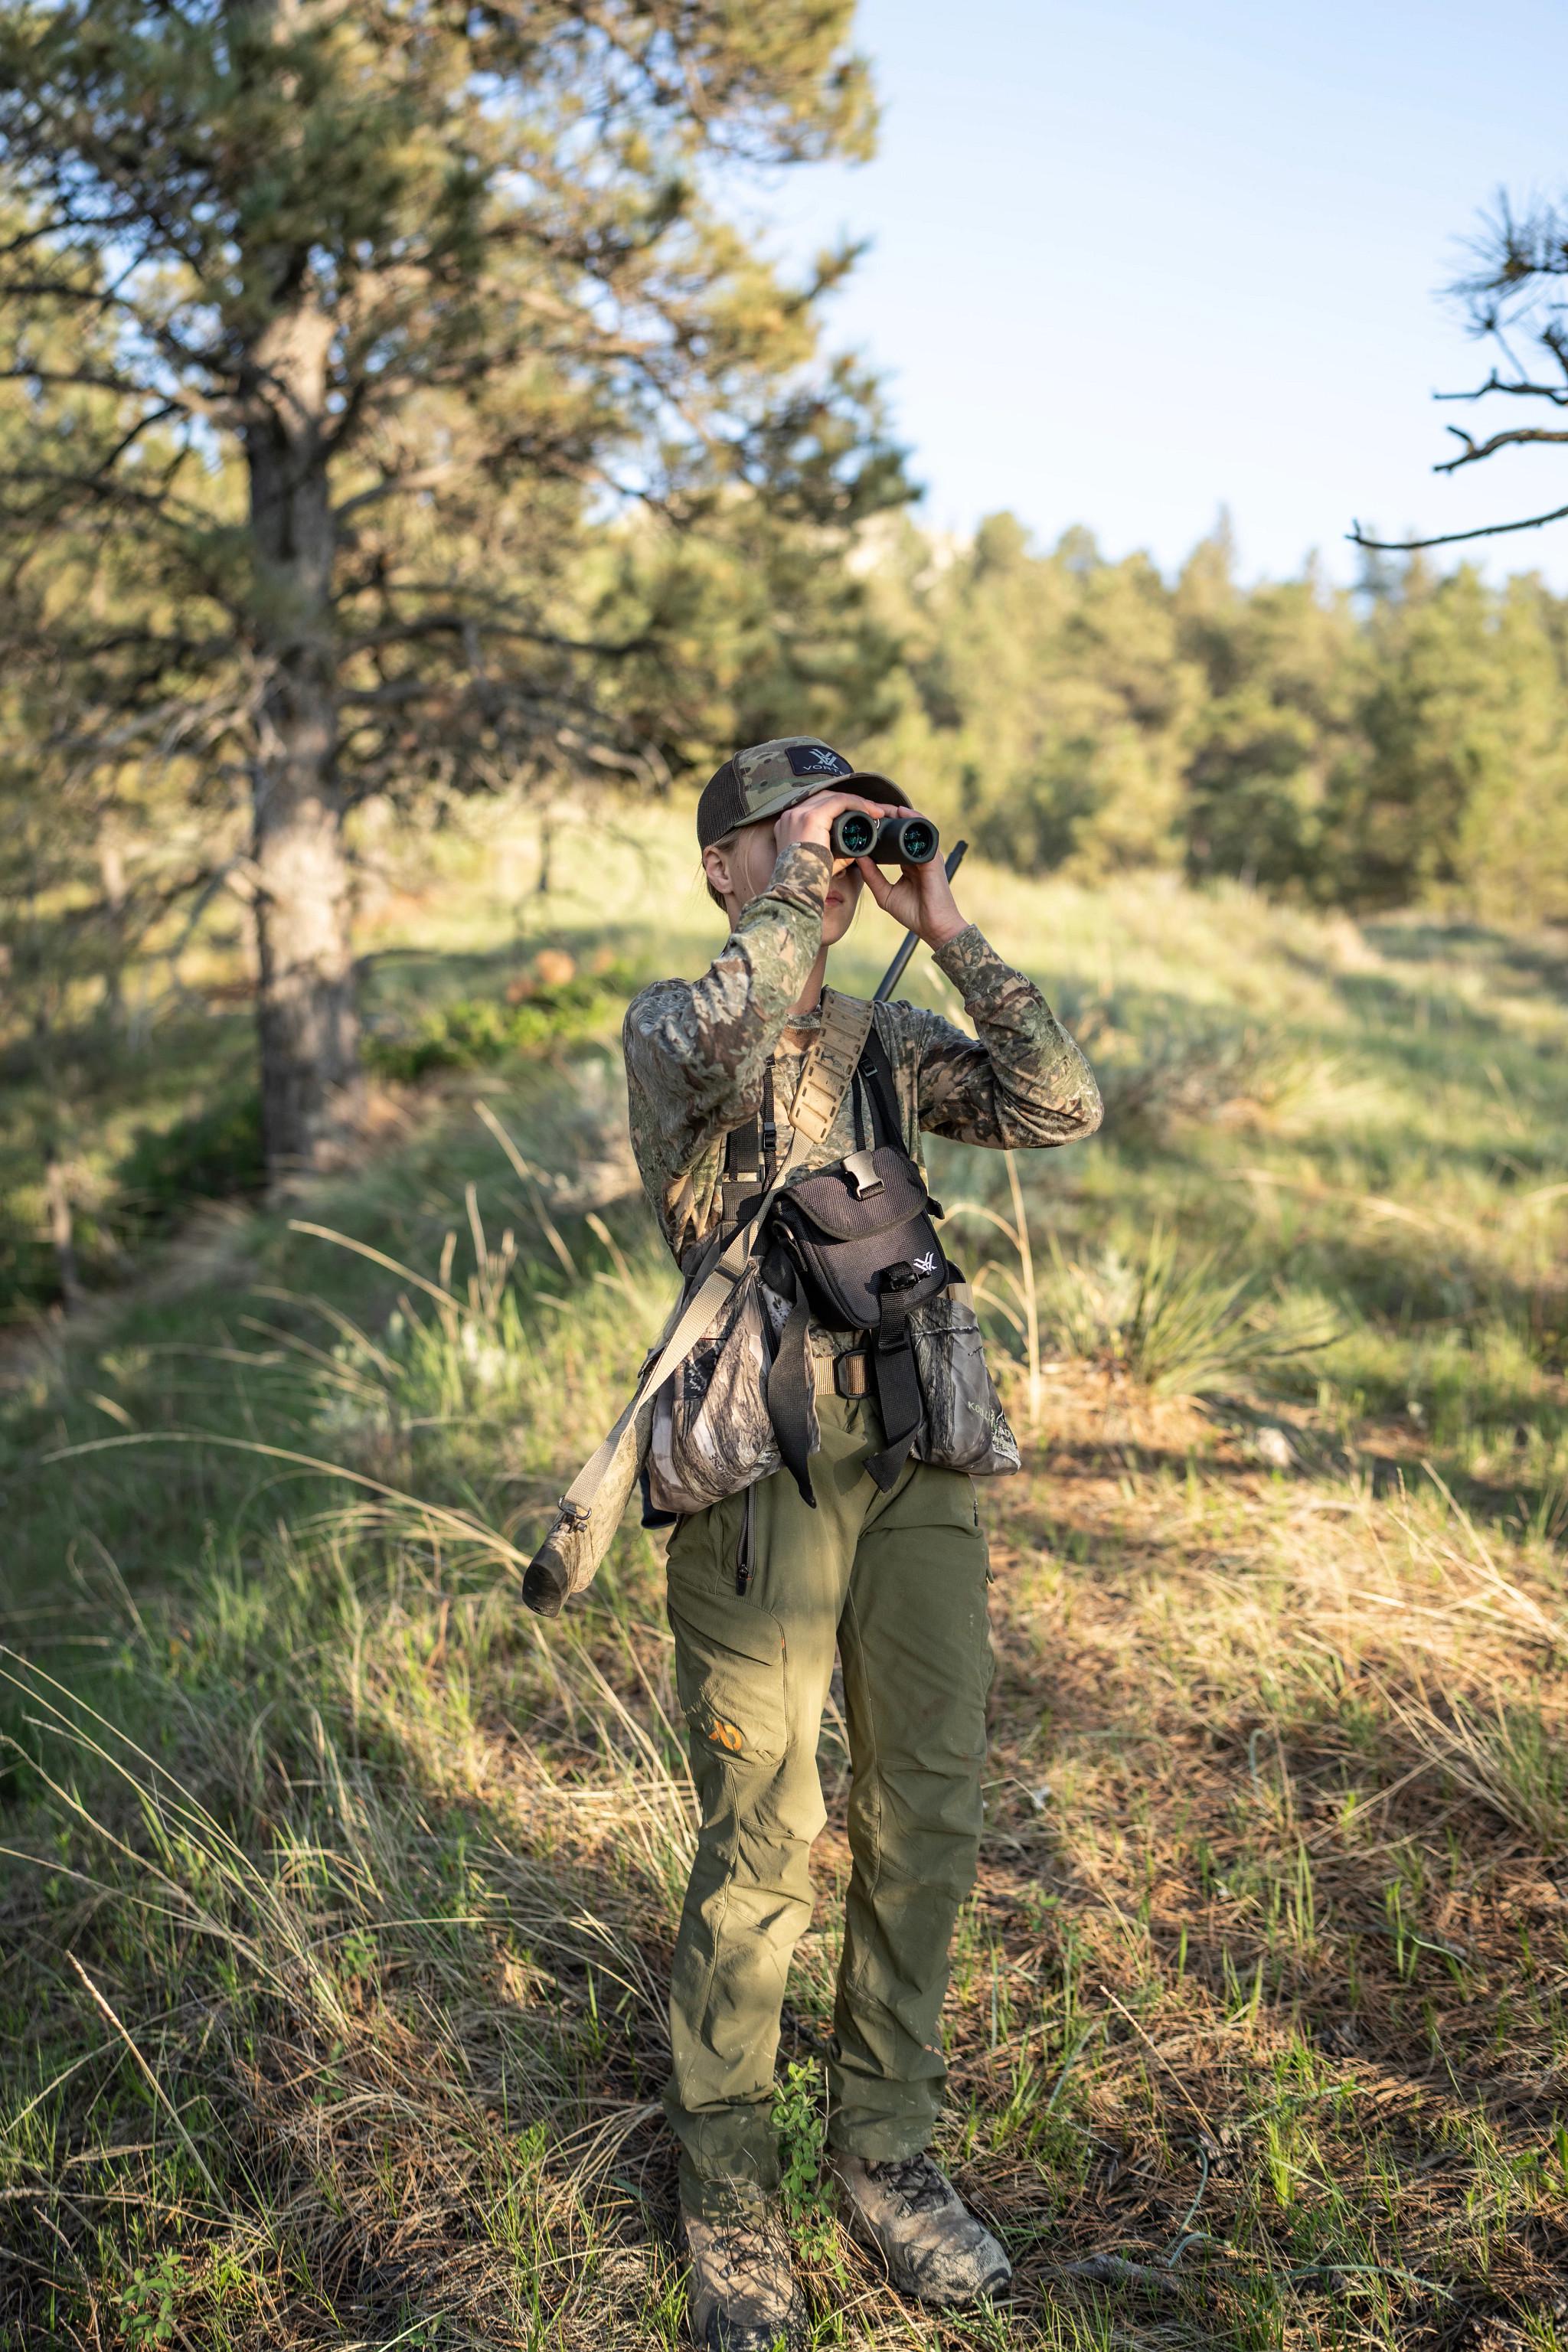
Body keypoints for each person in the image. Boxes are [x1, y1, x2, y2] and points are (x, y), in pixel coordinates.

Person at [622, 737, 1102, 2350]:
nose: (830, 859)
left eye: (844, 829)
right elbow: (724, 1024)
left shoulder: (880, 1033)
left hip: (920, 1447)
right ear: (722, 868)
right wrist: (801, 906)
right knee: (766, 1841)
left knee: (934, 1815)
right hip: (763, 1461)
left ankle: (884, 2151)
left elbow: (1059, 1102)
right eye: (793, 836)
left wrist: (943, 920)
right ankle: (731, 2184)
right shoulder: (681, 1031)